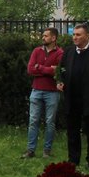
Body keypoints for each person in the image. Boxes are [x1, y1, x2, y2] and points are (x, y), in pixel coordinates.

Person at [56, 22, 89, 169]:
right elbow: (62, 70)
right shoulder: (68, 52)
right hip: (72, 98)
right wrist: (60, 82)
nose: (75, 37)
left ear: (87, 36)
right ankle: (73, 159)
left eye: (78, 35)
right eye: (73, 34)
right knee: (72, 131)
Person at [24, 28, 64, 158]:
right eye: (43, 36)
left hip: (52, 92)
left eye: (46, 36)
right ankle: (30, 150)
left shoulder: (60, 53)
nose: (43, 38)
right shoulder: (37, 51)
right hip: (36, 90)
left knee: (50, 122)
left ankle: (47, 151)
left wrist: (39, 67)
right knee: (33, 120)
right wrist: (48, 69)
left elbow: (58, 72)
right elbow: (30, 69)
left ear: (53, 38)